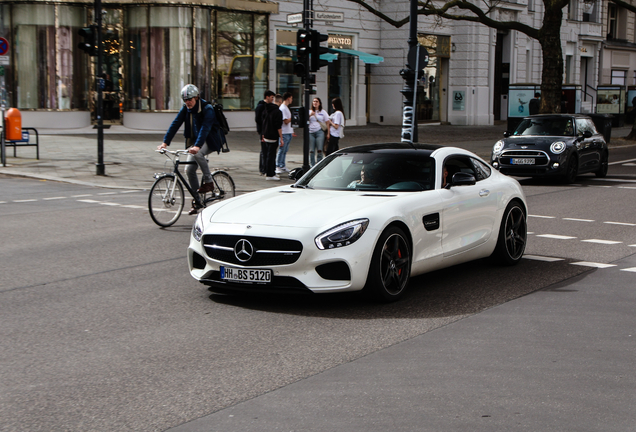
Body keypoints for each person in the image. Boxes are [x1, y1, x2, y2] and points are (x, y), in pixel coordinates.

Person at [158, 84, 224, 215]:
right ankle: (197, 200)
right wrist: (165, 143)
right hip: (196, 141)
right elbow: (175, 124)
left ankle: (209, 182)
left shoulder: (207, 109)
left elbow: (205, 129)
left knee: (198, 153)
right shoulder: (186, 109)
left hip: (211, 140)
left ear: (197, 97)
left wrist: (197, 146)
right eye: (185, 100)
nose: (188, 102)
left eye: (190, 99)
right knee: (189, 170)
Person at [261, 94, 284, 181]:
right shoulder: (278, 112)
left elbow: (263, 122)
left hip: (266, 134)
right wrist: (281, 138)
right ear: (280, 102)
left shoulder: (266, 110)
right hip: (273, 135)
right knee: (271, 155)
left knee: (268, 155)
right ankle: (270, 174)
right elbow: (278, 126)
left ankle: (269, 172)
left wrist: (263, 134)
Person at [256, 90, 275, 176]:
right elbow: (258, 119)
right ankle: (263, 169)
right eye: (271, 97)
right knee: (264, 150)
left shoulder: (269, 106)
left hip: (268, 130)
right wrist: (261, 130)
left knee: (267, 151)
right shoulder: (261, 106)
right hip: (263, 131)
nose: (272, 99)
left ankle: (266, 168)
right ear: (267, 97)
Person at [275, 92, 294, 174]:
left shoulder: (286, 107)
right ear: (288, 98)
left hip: (288, 132)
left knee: (285, 150)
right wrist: (293, 118)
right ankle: (278, 165)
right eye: (291, 98)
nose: (292, 100)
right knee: (282, 149)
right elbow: (285, 121)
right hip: (284, 132)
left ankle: (282, 165)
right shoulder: (283, 108)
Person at [308, 97, 329, 166]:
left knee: (320, 150)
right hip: (311, 132)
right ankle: (312, 166)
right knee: (311, 150)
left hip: (319, 132)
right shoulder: (310, 111)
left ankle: (319, 165)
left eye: (316, 101)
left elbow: (327, 122)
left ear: (319, 103)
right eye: (314, 101)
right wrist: (310, 115)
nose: (315, 103)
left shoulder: (323, 112)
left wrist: (328, 133)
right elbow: (305, 121)